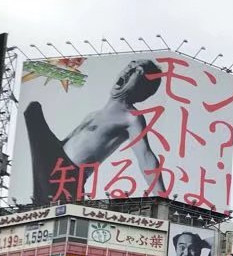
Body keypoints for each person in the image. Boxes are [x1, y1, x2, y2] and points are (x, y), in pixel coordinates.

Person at [22, 58, 165, 203]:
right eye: (130, 65)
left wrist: (162, 198)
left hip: (69, 175)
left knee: (33, 110)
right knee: (32, 110)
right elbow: (62, 143)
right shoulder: (93, 115)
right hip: (55, 165)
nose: (129, 70)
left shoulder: (131, 117)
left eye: (137, 71)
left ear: (142, 88)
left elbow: (146, 157)